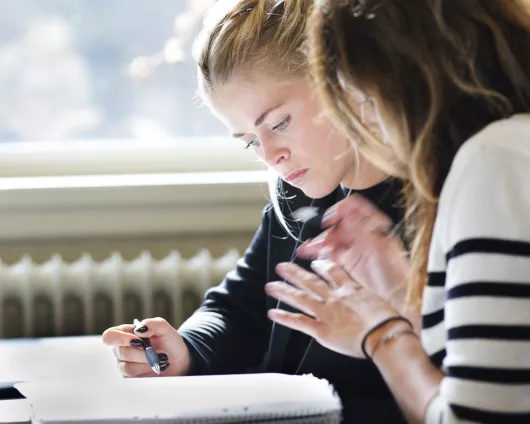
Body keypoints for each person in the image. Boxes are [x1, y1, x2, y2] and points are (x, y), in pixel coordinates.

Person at [263, 0, 530, 423]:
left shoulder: (499, 163)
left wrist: (380, 334)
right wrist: (400, 290)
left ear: (408, 76)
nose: (366, 124)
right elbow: (498, 360)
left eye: (363, 99)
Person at [101, 0, 409, 422]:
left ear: (344, 81)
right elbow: (239, 308)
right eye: (249, 140)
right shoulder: (296, 199)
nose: (270, 156)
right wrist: (187, 349)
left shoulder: (432, 207)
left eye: (279, 123)